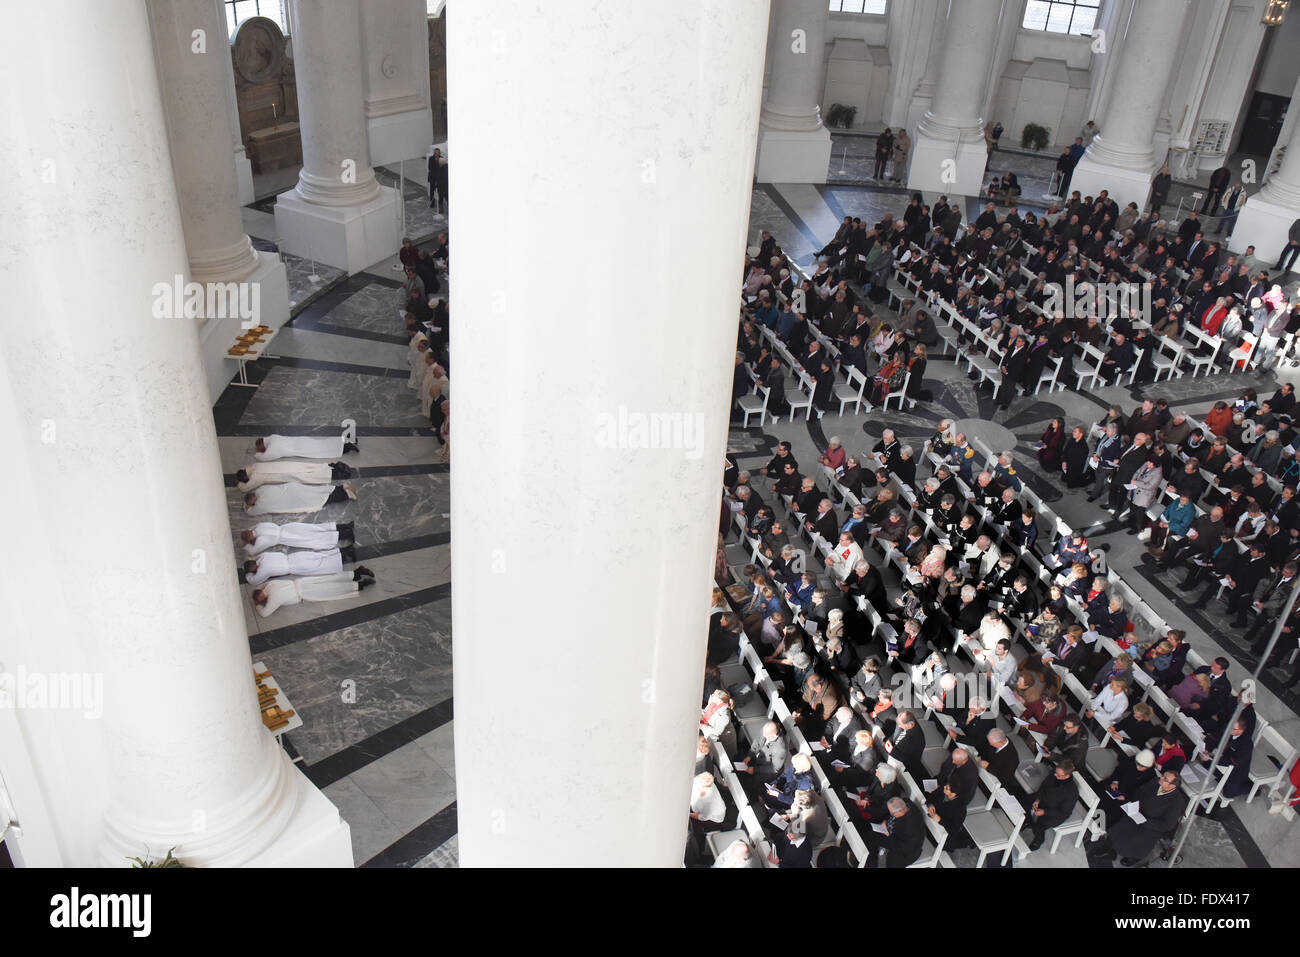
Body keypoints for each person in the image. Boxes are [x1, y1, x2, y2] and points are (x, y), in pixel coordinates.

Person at [1089, 770, 1185, 866]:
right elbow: (1140, 791)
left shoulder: (1176, 802)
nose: (1161, 778)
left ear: (1172, 786)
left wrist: (1145, 821)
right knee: (1119, 826)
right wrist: (1133, 802)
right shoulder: (1156, 782)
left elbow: (1167, 825)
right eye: (1163, 776)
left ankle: (1134, 856)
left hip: (1151, 826)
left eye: (1165, 779)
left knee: (1135, 839)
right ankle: (1111, 848)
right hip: (1138, 812)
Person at [252, 567, 375, 616]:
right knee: (330, 579)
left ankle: (361, 584)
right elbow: (263, 585)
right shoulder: (269, 586)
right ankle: (356, 573)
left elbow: (264, 614)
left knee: (332, 590)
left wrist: (257, 605)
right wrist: (260, 590)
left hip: (304, 592)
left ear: (262, 599)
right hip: (302, 582)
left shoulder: (273, 599)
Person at [1025, 760, 1079, 851]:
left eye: (1058, 775)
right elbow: (1044, 785)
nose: (1055, 775)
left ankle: (1039, 839)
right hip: (1044, 799)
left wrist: (1044, 812)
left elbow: (1064, 812)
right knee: (1024, 801)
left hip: (1055, 812)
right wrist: (1038, 799)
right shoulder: (1054, 773)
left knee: (1039, 826)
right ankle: (1028, 822)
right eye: (1055, 772)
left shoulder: (1071, 792)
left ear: (1067, 776)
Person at [243, 545, 353, 587]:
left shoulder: (263, 570)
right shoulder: (263, 556)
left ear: (253, 569)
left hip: (296, 566)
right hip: (294, 556)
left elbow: (253, 581)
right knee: (320, 556)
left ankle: (346, 555)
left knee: (321, 565)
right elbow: (257, 557)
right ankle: (345, 550)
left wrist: (248, 574)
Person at [241, 520, 354, 556]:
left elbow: (253, 551)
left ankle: (346, 534)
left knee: (317, 538)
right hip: (289, 527)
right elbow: (253, 528)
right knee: (317, 528)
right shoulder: (259, 526)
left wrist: (247, 545)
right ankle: (345, 527)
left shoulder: (260, 540)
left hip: (290, 537)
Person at [244, 481, 357, 515]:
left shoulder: (261, 505)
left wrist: (247, 506)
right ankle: (341, 487)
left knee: (318, 501)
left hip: (293, 500)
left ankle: (346, 494)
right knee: (316, 491)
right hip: (292, 488)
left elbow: (250, 512)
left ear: (253, 501)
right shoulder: (261, 490)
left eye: (252, 502)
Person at [235, 461, 353, 492]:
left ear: (245, 478)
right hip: (287, 466)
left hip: (285, 475)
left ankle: (336, 473)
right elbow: (246, 468)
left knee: (309, 477)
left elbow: (244, 488)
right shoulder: (254, 466)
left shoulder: (255, 477)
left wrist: (239, 483)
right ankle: (331, 467)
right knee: (308, 468)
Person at [254, 427, 359, 460]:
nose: (261, 450)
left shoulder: (273, 448)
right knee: (323, 444)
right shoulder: (273, 437)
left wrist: (257, 453)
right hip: (302, 441)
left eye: (261, 448)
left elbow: (263, 457)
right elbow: (266, 442)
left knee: (324, 450)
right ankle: (347, 439)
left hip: (300, 449)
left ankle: (347, 447)